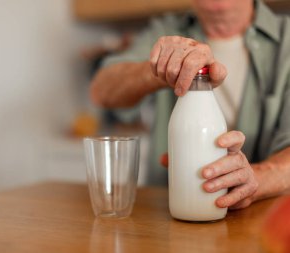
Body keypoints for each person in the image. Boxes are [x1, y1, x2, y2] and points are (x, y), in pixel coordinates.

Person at [90, 0, 290, 210]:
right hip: (170, 217)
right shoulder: (166, 30)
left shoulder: (286, 38)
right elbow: (101, 89)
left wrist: (255, 179)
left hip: (270, 223)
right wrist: (162, 68)